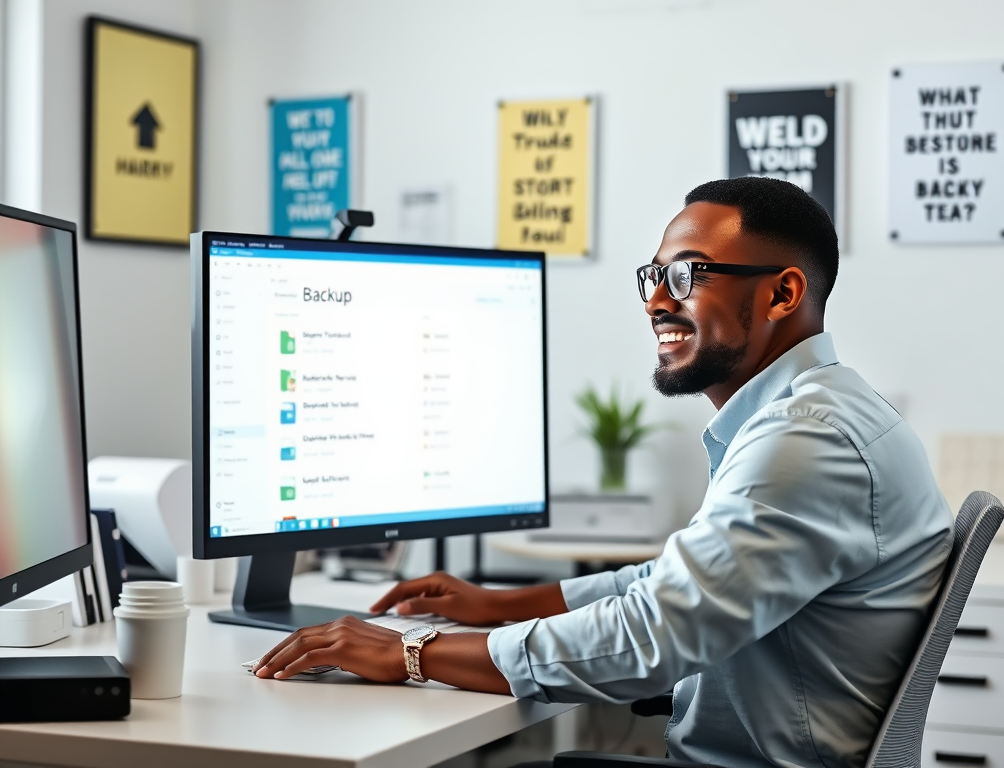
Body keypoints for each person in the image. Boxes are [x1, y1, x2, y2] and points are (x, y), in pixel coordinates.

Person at [254, 177, 953, 768]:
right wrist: (496, 604)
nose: (656, 300)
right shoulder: (819, 414)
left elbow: (658, 635)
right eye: (654, 276)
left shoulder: (806, 440)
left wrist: (414, 653)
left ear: (781, 294)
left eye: (688, 275)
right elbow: (678, 587)